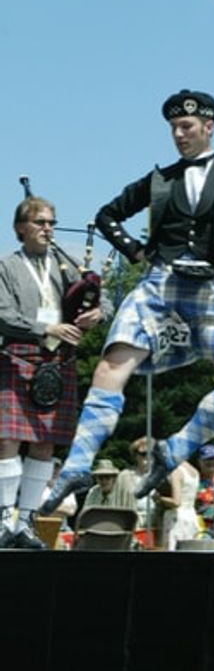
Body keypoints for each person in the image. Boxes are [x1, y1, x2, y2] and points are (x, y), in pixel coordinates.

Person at [42, 90, 214, 514]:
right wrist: (136, 252)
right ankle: (76, 466)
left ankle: (175, 448)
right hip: (161, 283)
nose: (179, 134)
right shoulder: (161, 179)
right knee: (110, 365)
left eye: (187, 127)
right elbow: (107, 216)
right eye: (174, 127)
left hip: (213, 287)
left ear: (208, 127)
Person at [0, 195, 105, 548]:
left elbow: (94, 294)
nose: (48, 229)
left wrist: (98, 313)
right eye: (40, 222)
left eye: (51, 223)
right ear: (20, 228)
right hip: (17, 356)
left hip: (58, 363)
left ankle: (27, 522)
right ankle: (3, 519)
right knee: (8, 439)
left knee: (45, 444)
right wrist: (46, 329)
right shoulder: (6, 267)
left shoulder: (66, 264)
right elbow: (2, 314)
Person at [157, 453, 200, 550]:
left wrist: (159, 498)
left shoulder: (176, 472)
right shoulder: (195, 471)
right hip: (191, 515)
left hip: (177, 519)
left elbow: (176, 502)